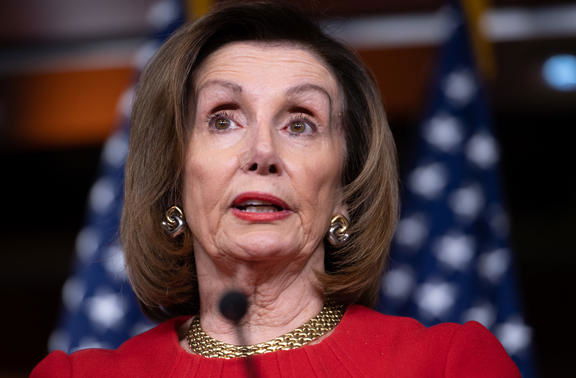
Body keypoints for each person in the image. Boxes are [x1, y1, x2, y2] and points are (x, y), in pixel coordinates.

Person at [32, 1, 520, 377]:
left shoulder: (446, 365)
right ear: (174, 180)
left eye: (301, 124)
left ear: (345, 191)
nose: (261, 152)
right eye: (223, 120)